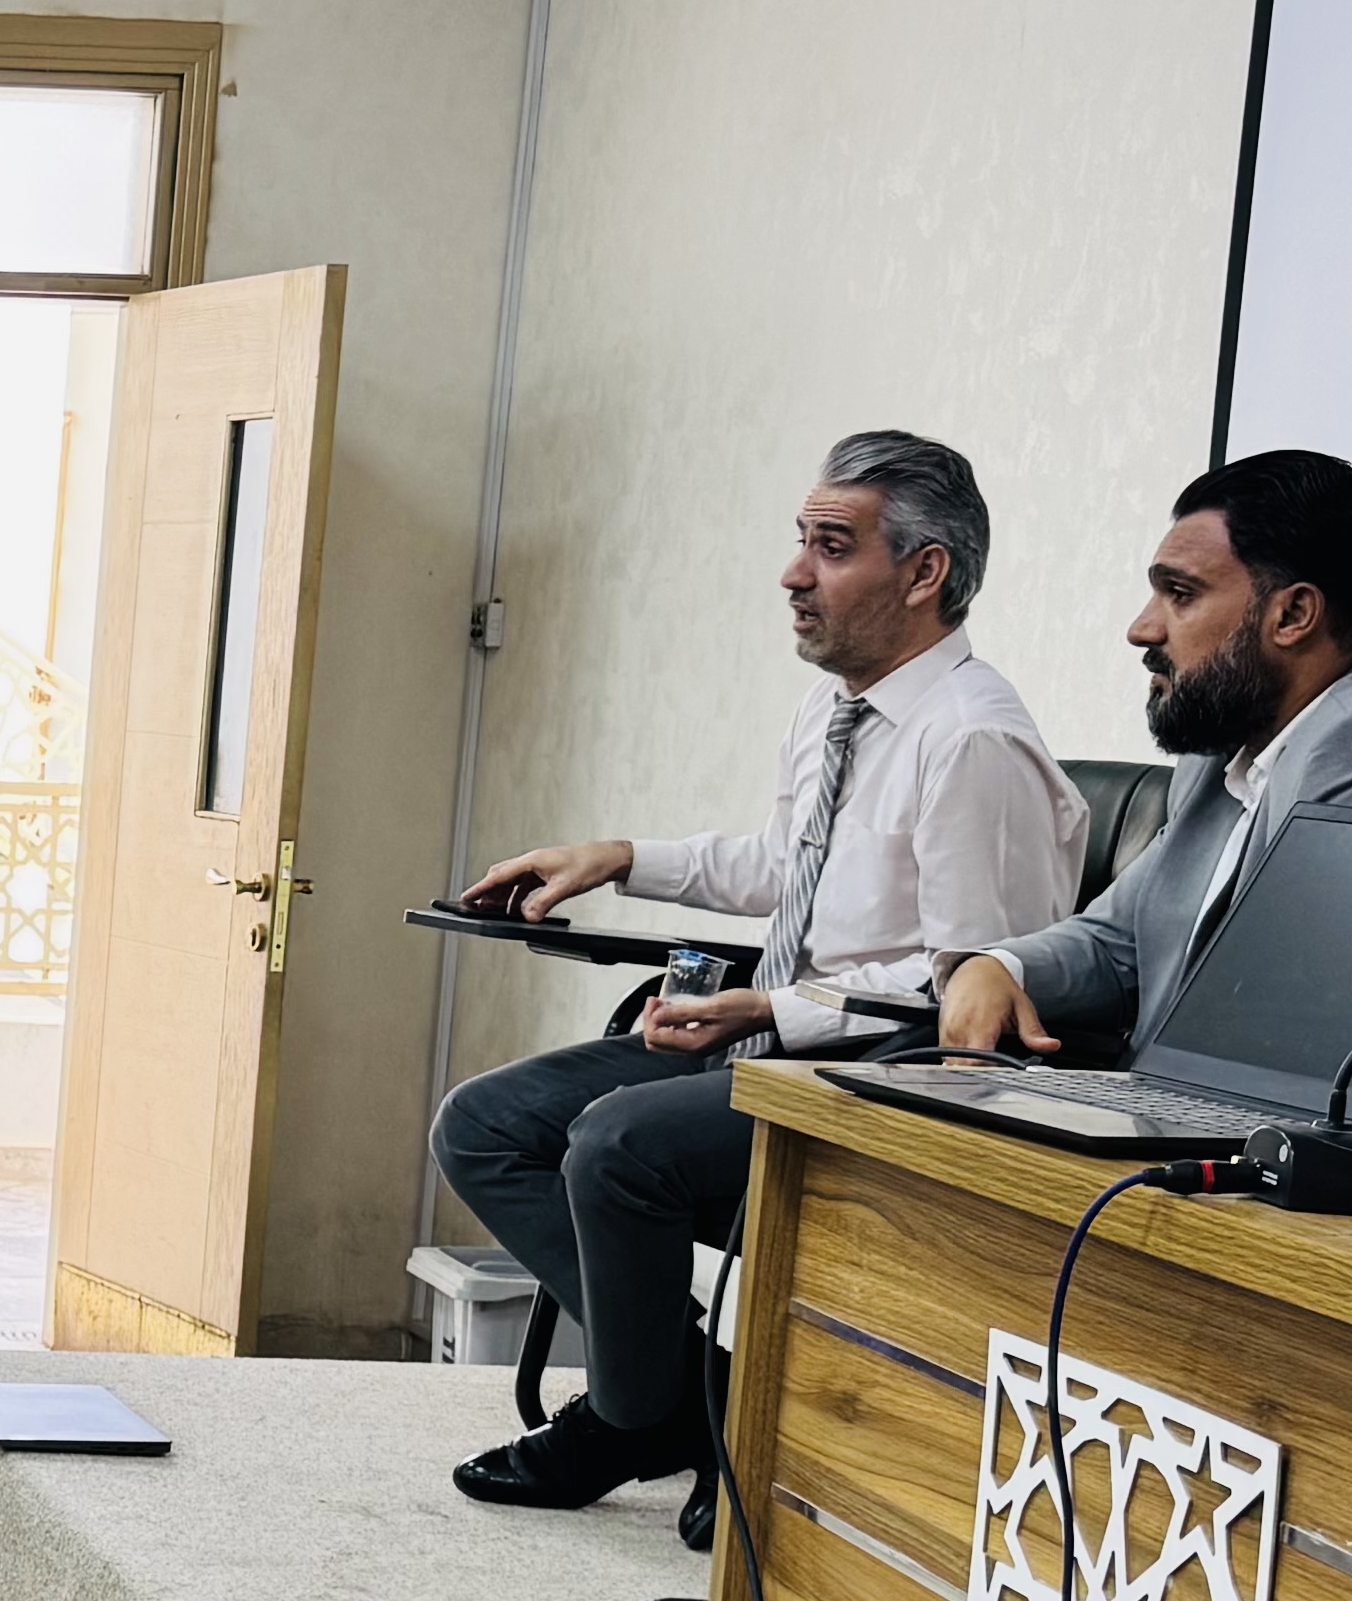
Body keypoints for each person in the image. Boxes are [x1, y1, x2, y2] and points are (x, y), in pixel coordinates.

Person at [432, 433, 1077, 1535]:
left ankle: (635, 1412)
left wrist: (777, 1009)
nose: (793, 574)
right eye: (801, 542)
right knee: (484, 1125)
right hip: (776, 1042)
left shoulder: (974, 740)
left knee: (617, 1144)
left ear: (924, 573)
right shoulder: (837, 710)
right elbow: (789, 867)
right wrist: (619, 858)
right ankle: (695, 1400)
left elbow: (976, 984)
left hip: (883, 1076)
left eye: (832, 547)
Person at [937, 448, 1352, 1071]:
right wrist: (998, 968)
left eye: (1180, 594)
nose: (1143, 629)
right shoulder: (1230, 752)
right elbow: (1121, 943)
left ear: (1293, 615)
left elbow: (1296, 1024)